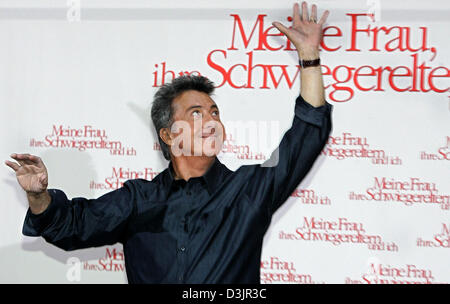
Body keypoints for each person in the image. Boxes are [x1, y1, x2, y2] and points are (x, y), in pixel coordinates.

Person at [5, 2, 332, 283]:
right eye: (196, 113)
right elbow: (69, 226)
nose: (212, 120)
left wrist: (309, 57)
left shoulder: (249, 190)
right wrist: (38, 194)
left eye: (214, 112)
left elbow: (308, 133)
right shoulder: (138, 199)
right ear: (168, 134)